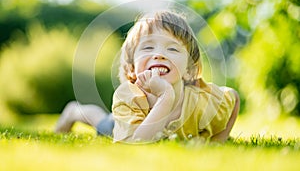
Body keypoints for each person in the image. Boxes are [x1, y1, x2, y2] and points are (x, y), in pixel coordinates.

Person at [55, 10, 240, 143]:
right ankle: (74, 111)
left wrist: (217, 142)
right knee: (102, 122)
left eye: (172, 48)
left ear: (189, 70)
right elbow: (136, 143)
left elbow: (232, 98)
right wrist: (165, 97)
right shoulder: (127, 96)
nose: (159, 54)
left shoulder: (201, 101)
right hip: (123, 125)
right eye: (148, 47)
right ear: (132, 68)